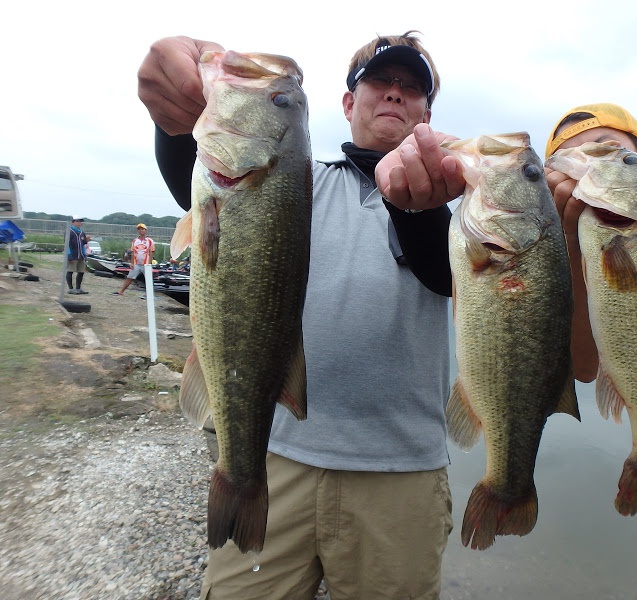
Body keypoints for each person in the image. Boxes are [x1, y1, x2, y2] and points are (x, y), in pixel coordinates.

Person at [377, 104, 637, 599]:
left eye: (611, 153)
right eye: (568, 164)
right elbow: (581, 367)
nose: (589, 165)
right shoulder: (573, 265)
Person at [138, 31, 453, 599]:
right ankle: (237, 479)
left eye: (412, 88)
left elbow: (443, 270)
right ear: (347, 103)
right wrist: (172, 117)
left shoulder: (454, 214)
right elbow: (194, 163)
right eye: (380, 81)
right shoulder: (298, 180)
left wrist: (418, 208)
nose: (395, 94)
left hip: (402, 473)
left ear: (427, 113)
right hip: (275, 457)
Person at [113, 223, 154, 296]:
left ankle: (150, 295)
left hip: (146, 264)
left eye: (142, 229)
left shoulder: (150, 241)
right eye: (139, 229)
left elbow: (151, 252)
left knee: (148, 280)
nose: (140, 231)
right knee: (130, 277)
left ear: (145, 230)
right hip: (136, 263)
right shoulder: (135, 240)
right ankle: (121, 292)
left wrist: (149, 263)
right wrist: (132, 263)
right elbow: (133, 252)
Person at [66, 216, 90, 295]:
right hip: (73, 254)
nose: (79, 223)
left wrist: (85, 254)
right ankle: (70, 288)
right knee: (70, 271)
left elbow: (83, 244)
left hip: (81, 255)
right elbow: (67, 244)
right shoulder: (69, 231)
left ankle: (78, 288)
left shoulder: (82, 232)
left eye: (81, 221)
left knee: (81, 272)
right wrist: (69, 255)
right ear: (73, 222)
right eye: (78, 221)